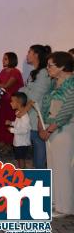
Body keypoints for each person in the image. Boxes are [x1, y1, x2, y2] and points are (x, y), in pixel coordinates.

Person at [38, 51, 74, 217]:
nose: (48, 69)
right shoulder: (54, 84)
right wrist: (41, 126)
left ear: (62, 66)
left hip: (64, 129)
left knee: (62, 168)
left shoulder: (72, 84)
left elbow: (66, 111)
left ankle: (65, 207)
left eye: (50, 65)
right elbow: (44, 106)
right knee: (52, 166)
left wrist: (49, 129)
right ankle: (54, 202)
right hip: (49, 129)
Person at [19, 45, 52, 168]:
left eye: (29, 52)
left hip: (38, 116)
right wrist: (24, 90)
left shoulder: (43, 73)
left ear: (36, 55)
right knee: (36, 148)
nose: (27, 55)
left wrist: (23, 91)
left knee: (39, 149)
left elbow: (34, 95)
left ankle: (41, 179)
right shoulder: (36, 72)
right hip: (32, 114)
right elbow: (28, 90)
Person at [0, 52, 24, 152]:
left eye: (5, 59)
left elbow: (7, 85)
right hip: (2, 100)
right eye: (3, 58)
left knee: (11, 121)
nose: (3, 60)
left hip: (13, 102)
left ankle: (10, 144)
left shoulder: (16, 72)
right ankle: (2, 142)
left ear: (12, 60)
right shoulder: (3, 71)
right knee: (2, 122)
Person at [7, 92, 31, 169]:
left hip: (22, 143)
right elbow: (18, 124)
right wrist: (11, 123)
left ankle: (23, 174)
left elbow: (24, 130)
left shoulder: (24, 116)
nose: (10, 103)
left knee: (21, 159)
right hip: (18, 142)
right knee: (19, 159)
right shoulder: (18, 113)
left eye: (12, 101)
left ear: (19, 103)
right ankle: (21, 172)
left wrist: (12, 130)